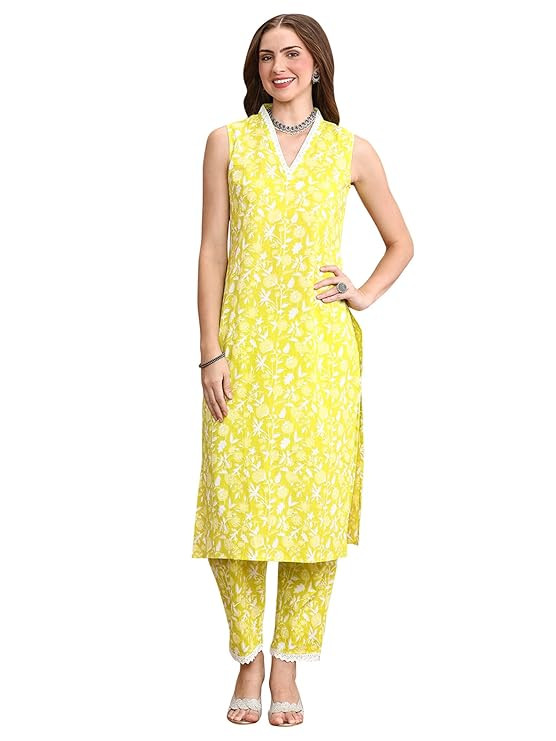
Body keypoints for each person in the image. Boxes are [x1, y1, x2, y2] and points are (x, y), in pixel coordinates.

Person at [191, 13, 413, 726]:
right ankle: (247, 655)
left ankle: (287, 662)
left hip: (321, 357)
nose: (278, 66)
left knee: (312, 511)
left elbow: (401, 242)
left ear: (318, 63)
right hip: (243, 352)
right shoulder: (227, 142)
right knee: (235, 506)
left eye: (291, 53)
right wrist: (210, 351)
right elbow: (213, 250)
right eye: (266, 56)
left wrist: (362, 293)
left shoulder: (352, 150)